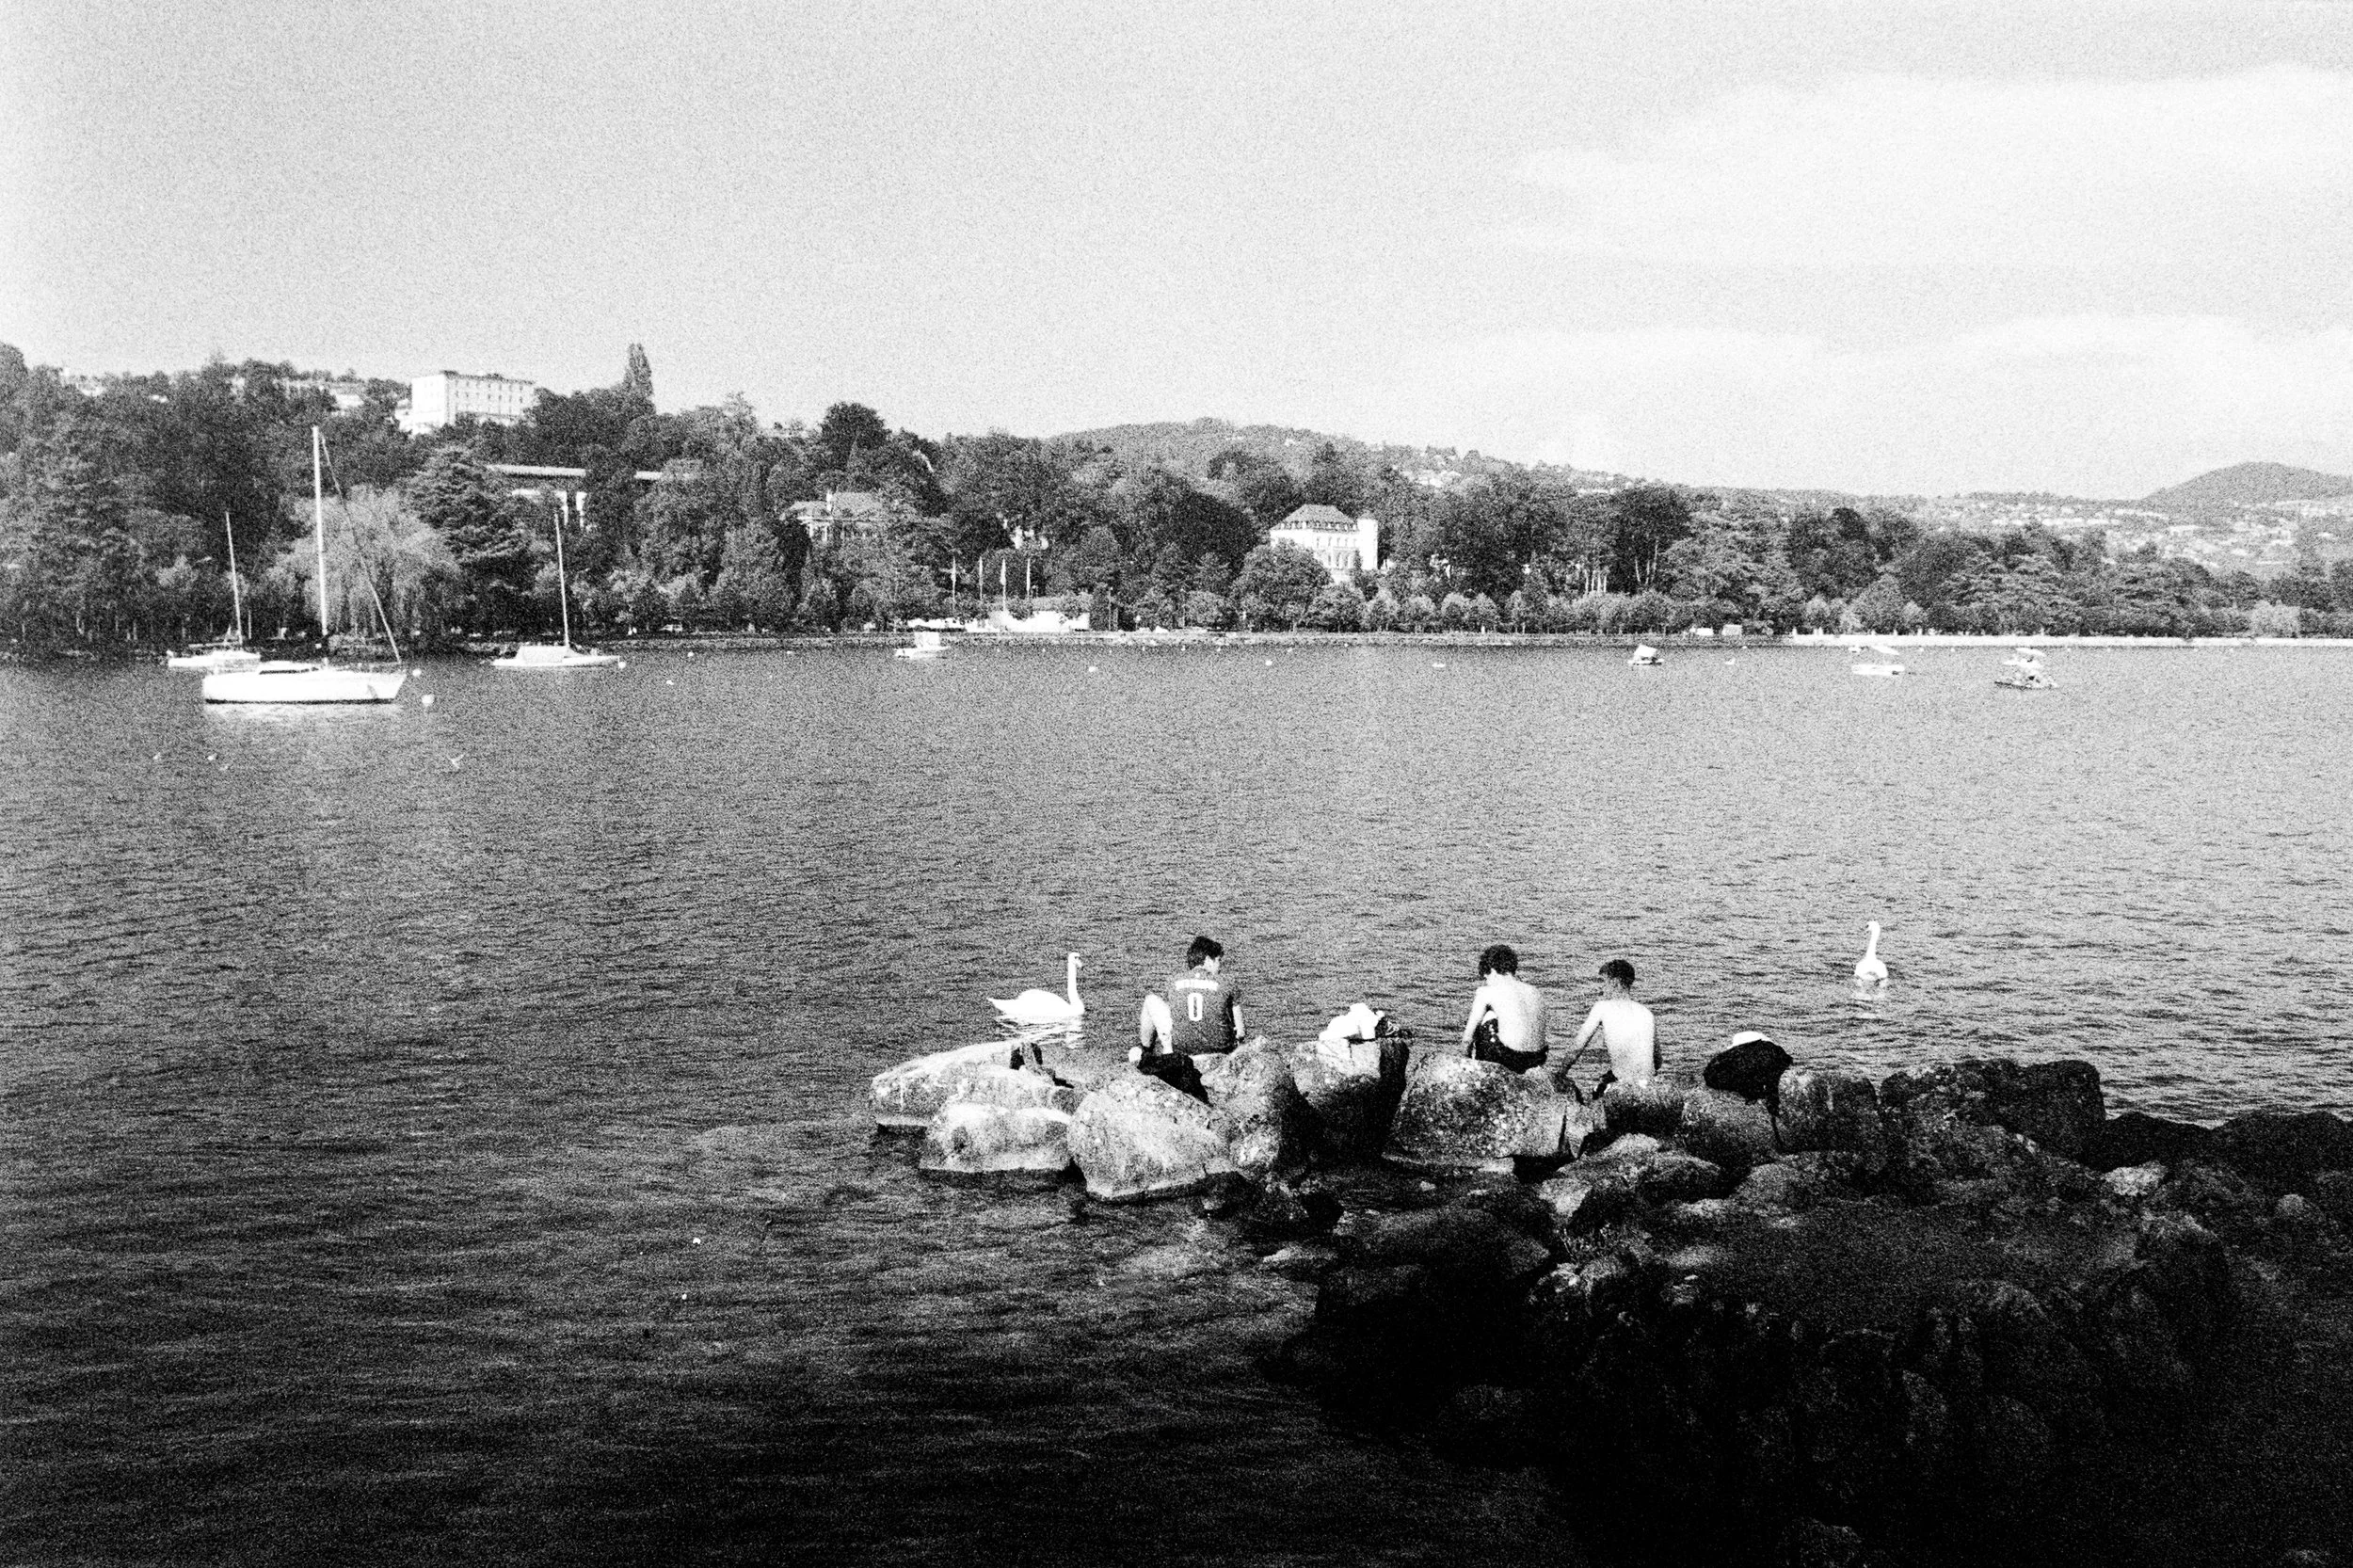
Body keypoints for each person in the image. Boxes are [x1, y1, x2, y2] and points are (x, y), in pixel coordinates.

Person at [1136, 935, 1244, 1076]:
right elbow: (1241, 1033)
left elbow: (1175, 1014)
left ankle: (1146, 1053)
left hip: (1182, 1051)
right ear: (1208, 960)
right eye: (1218, 961)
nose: (1220, 967)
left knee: (1150, 1000)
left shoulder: (1173, 981)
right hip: (1218, 1052)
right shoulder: (1228, 983)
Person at [1571, 959, 1657, 1096]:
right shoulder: (1647, 1013)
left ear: (1615, 983)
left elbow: (1577, 1046)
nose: (1601, 988)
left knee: (1592, 1095)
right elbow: (1657, 1060)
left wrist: (1560, 1073)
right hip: (1650, 1087)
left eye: (1604, 983)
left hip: (1624, 1088)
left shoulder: (1602, 1007)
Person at [1459, 943, 1550, 1073]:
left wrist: (1463, 1066)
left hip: (1508, 1057)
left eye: (1487, 978)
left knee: (1488, 1016)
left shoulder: (1486, 992)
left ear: (1492, 971)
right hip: (1537, 1059)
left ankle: (1480, 1071)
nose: (1487, 982)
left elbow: (1467, 1038)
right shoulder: (1534, 991)